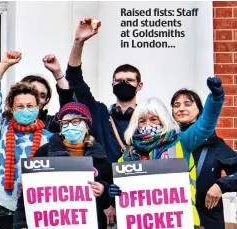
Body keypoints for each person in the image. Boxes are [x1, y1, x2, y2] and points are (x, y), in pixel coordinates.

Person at [109, 77, 225, 228]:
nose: (148, 125)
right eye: (142, 121)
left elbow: (205, 125)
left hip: (181, 223)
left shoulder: (181, 142)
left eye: (153, 119)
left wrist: (215, 98)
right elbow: (121, 188)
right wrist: (115, 190)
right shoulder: (129, 154)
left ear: (163, 120)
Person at [13, 102, 112, 229]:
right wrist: (21, 223)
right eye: (64, 123)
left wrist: (103, 190)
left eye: (75, 121)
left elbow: (113, 193)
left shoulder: (100, 157)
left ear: (86, 125)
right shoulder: (44, 153)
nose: (70, 126)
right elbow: (28, 193)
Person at [0, 51, 53, 214]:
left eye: (30, 106)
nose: (25, 110)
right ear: (12, 108)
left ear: (38, 107)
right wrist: (3, 65)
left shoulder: (50, 139)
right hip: (1, 207)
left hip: (36, 207)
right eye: (20, 106)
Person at [171, 89, 237, 229]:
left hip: (207, 222)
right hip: (176, 222)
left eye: (187, 104)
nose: (181, 109)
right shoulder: (167, 144)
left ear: (200, 110)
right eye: (176, 105)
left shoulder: (214, 144)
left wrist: (221, 185)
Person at [64, 17, 142, 162]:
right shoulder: (99, 113)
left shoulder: (147, 118)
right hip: (104, 183)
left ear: (139, 86)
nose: (123, 84)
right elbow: (74, 79)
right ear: (112, 85)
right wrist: (78, 42)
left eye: (129, 80)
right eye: (119, 81)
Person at [21, 54, 75, 133]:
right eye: (33, 92)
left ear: (46, 101)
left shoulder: (50, 124)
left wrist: (58, 73)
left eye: (42, 96)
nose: (37, 99)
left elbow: (69, 109)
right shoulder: (5, 123)